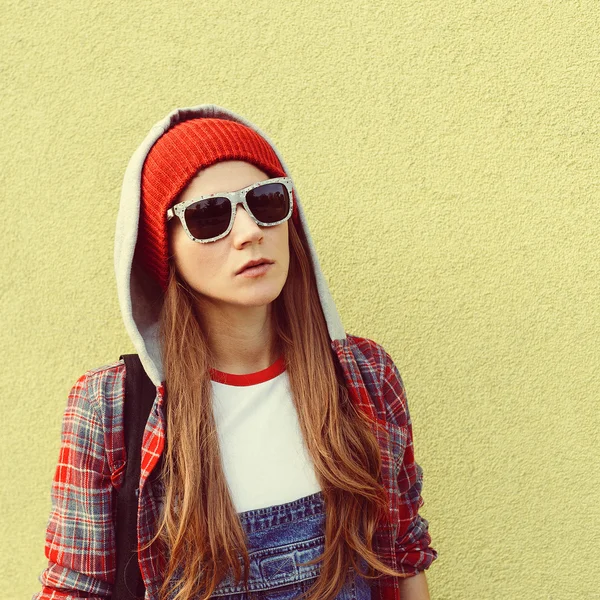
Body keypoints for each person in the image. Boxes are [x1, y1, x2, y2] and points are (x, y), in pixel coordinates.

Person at [33, 104, 438, 600]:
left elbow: (402, 551)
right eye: (210, 216)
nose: (249, 233)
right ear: (165, 248)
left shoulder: (364, 377)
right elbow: (75, 588)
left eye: (266, 201)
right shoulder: (110, 407)